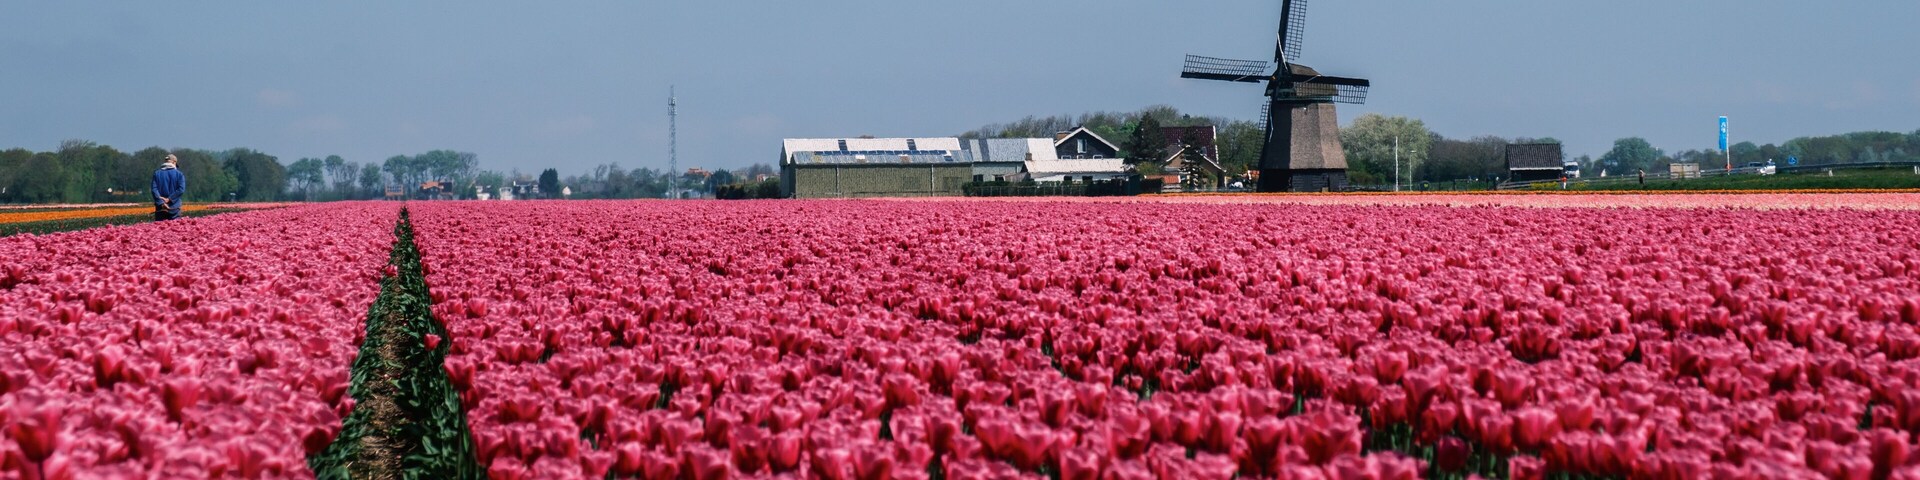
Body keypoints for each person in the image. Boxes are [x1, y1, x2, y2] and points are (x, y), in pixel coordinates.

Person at [152, 153, 185, 221]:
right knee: (175, 229)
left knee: (159, 229)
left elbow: (154, 189)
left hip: (160, 208)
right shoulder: (179, 174)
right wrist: (169, 199)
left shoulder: (157, 173)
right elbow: (181, 189)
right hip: (174, 207)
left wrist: (161, 202)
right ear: (174, 162)